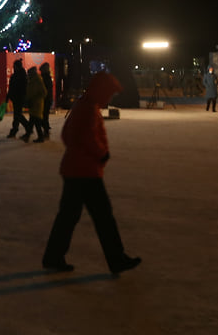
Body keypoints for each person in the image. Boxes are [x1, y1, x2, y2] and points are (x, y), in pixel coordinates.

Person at [41, 72, 142, 276]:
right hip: (85, 171)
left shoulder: (84, 105)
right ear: (102, 91)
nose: (110, 98)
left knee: (68, 217)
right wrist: (102, 153)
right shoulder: (88, 109)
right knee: (103, 217)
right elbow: (86, 137)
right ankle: (116, 259)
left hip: (75, 169)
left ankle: (53, 256)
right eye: (109, 94)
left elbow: (67, 135)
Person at [7, 59, 32, 139]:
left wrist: (9, 96)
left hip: (19, 98)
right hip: (17, 98)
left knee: (17, 115)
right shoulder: (21, 76)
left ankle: (25, 128)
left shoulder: (19, 76)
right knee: (17, 115)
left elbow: (14, 88)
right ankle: (16, 130)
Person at [25, 61, 47, 142]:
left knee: (35, 121)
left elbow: (44, 92)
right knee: (34, 121)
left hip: (37, 104)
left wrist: (36, 98)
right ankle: (32, 136)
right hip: (33, 104)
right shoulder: (32, 80)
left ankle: (30, 136)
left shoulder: (37, 80)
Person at [39, 63, 55, 138]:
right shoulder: (47, 77)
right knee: (44, 116)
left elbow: (45, 89)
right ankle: (46, 130)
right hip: (47, 99)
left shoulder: (45, 78)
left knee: (43, 116)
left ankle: (46, 131)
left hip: (45, 99)